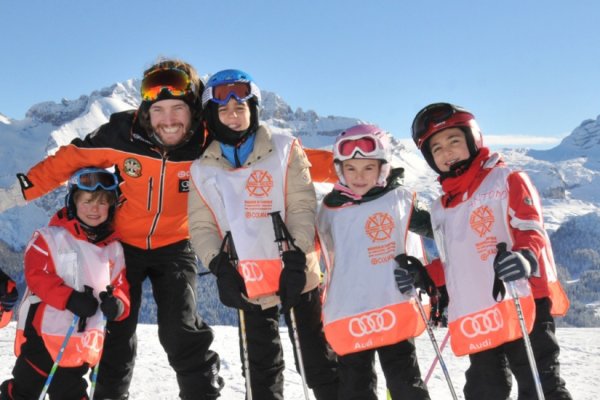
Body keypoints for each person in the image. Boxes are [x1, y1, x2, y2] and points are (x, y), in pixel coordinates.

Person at [13, 59, 223, 400]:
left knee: (181, 330)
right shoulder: (123, 133)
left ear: (195, 108)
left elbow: (268, 158)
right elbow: (69, 159)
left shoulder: (208, 139)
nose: (168, 120)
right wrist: (17, 192)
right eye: (159, 109)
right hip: (121, 246)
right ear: (145, 109)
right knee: (115, 331)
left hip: (175, 244)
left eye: (178, 108)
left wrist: (337, 167)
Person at [188, 69, 339, 400]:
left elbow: (301, 205)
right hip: (247, 279)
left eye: (240, 108)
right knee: (261, 368)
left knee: (316, 361)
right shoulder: (202, 168)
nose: (234, 116)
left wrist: (297, 258)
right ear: (212, 116)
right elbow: (200, 226)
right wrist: (219, 266)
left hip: (295, 272)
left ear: (253, 110)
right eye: (225, 110)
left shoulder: (284, 149)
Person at [410, 102, 572, 399]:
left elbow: (531, 229)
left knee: (539, 386)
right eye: (437, 149)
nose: (447, 152)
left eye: (454, 141)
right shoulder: (441, 207)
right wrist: (425, 275)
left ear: (473, 140)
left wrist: (525, 256)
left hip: (522, 299)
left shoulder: (506, 179)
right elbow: (454, 261)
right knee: (485, 389)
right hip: (479, 309)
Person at [317, 124, 433, 400]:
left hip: (391, 302)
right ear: (339, 169)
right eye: (351, 168)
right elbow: (310, 244)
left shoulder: (400, 199)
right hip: (349, 307)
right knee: (355, 386)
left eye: (368, 168)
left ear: (383, 168)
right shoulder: (330, 208)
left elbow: (439, 227)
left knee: (404, 381)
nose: (359, 176)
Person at [0, 167, 130, 400]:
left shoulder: (113, 249)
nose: (94, 209)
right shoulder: (49, 237)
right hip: (41, 337)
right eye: (87, 201)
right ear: (73, 202)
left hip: (81, 342)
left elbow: (121, 285)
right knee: (25, 391)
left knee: (70, 391)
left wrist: (118, 304)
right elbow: (37, 276)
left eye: (102, 203)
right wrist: (68, 298)